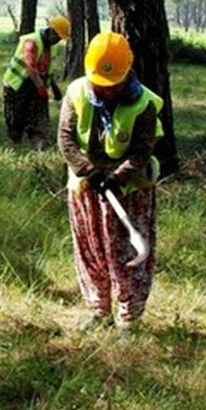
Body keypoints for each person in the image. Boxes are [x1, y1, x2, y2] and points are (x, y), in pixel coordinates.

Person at [57, 32, 163, 334]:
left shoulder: (144, 103)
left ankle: (128, 319)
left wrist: (117, 178)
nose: (104, 90)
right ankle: (98, 309)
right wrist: (87, 170)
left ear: (127, 71)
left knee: (127, 256)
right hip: (85, 185)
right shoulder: (76, 92)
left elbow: (142, 150)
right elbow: (65, 138)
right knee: (90, 250)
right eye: (99, 84)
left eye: (112, 84)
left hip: (129, 188)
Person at [2, 16, 70, 148]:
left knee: (38, 115)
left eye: (61, 38)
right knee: (16, 119)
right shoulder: (31, 42)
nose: (58, 41)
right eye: (57, 37)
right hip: (16, 85)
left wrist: (54, 87)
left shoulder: (51, 46)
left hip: (36, 84)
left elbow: (47, 69)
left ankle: (39, 144)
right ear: (51, 31)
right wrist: (41, 88)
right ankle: (16, 144)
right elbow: (31, 68)